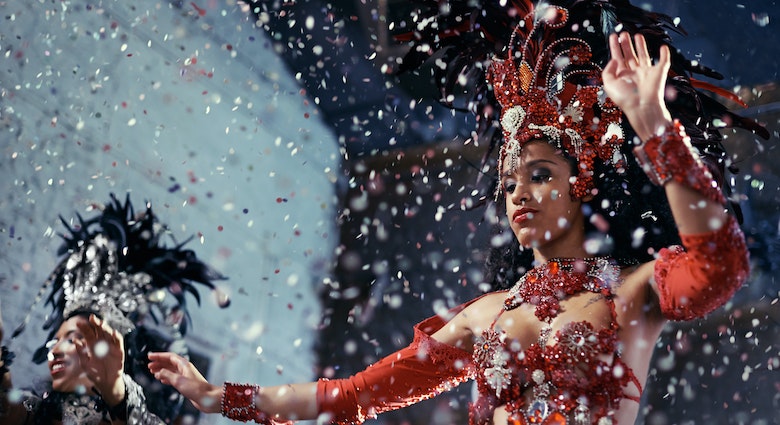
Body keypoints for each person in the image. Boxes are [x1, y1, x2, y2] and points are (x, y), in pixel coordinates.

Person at [146, 1, 769, 424]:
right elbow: (353, 398)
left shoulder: (631, 294)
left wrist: (653, 124)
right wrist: (216, 396)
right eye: (509, 182)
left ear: (580, 183)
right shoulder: (486, 315)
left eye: (540, 176)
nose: (519, 194)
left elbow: (722, 264)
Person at [0, 194, 229, 424]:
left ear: (109, 348)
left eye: (72, 339)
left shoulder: (129, 416)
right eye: (55, 341)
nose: (54, 351)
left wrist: (117, 394)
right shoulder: (37, 411)